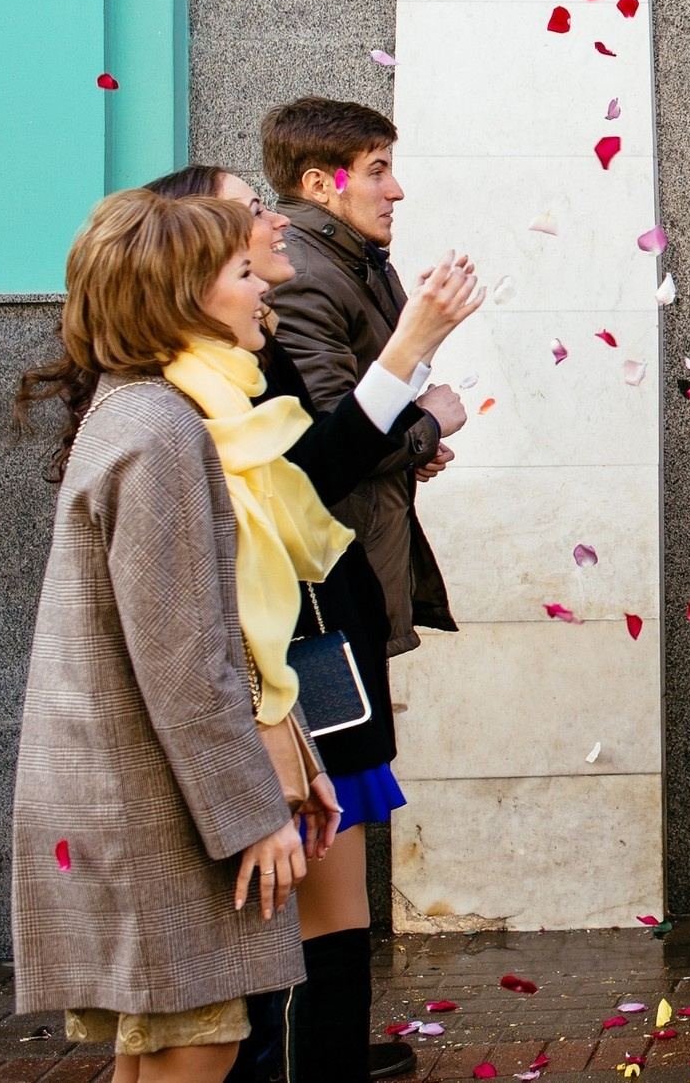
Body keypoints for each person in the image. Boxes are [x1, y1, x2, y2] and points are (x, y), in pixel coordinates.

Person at [146, 165, 482, 1083]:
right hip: (288, 662)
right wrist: (411, 353)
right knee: (310, 917)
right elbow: (315, 467)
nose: (273, 224)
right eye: (253, 212)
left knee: (329, 908)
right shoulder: (179, 401)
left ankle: (319, 1054)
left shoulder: (247, 347)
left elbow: (309, 462)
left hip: (323, 642)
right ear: (197, 253)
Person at [11, 190, 338, 1083]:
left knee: (169, 1045)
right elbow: (185, 658)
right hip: (161, 808)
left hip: (161, 794)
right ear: (182, 299)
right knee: (199, 1039)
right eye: (240, 274)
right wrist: (249, 816)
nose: (261, 291)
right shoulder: (160, 429)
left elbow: (220, 638)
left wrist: (293, 760)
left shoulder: (154, 414)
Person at [259, 99, 461, 662]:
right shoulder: (302, 275)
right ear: (322, 184)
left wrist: (413, 438)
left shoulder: (355, 258)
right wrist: (426, 427)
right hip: (336, 567)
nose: (395, 190)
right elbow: (334, 436)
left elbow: (374, 400)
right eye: (377, 171)